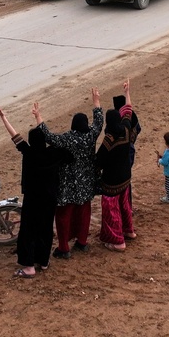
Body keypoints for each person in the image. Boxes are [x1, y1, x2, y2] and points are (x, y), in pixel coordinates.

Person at [0, 103, 74, 278]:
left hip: (33, 198)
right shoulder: (55, 153)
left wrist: (3, 117)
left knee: (29, 231)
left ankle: (29, 267)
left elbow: (14, 135)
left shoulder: (28, 153)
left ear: (31, 141)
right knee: (45, 229)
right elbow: (61, 146)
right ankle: (43, 261)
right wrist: (39, 117)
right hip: (50, 198)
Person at [38, 89, 103, 259]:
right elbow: (98, 123)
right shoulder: (90, 136)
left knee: (63, 215)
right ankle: (82, 242)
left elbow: (48, 137)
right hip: (86, 181)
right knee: (84, 211)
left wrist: (38, 118)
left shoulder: (66, 139)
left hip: (67, 182)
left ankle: (64, 247)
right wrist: (96, 102)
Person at [97, 80, 136, 251]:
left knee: (111, 211)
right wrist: (127, 92)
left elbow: (99, 161)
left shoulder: (108, 140)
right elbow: (128, 110)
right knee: (125, 205)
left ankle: (117, 241)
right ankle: (129, 231)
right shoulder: (126, 129)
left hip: (112, 181)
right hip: (126, 177)